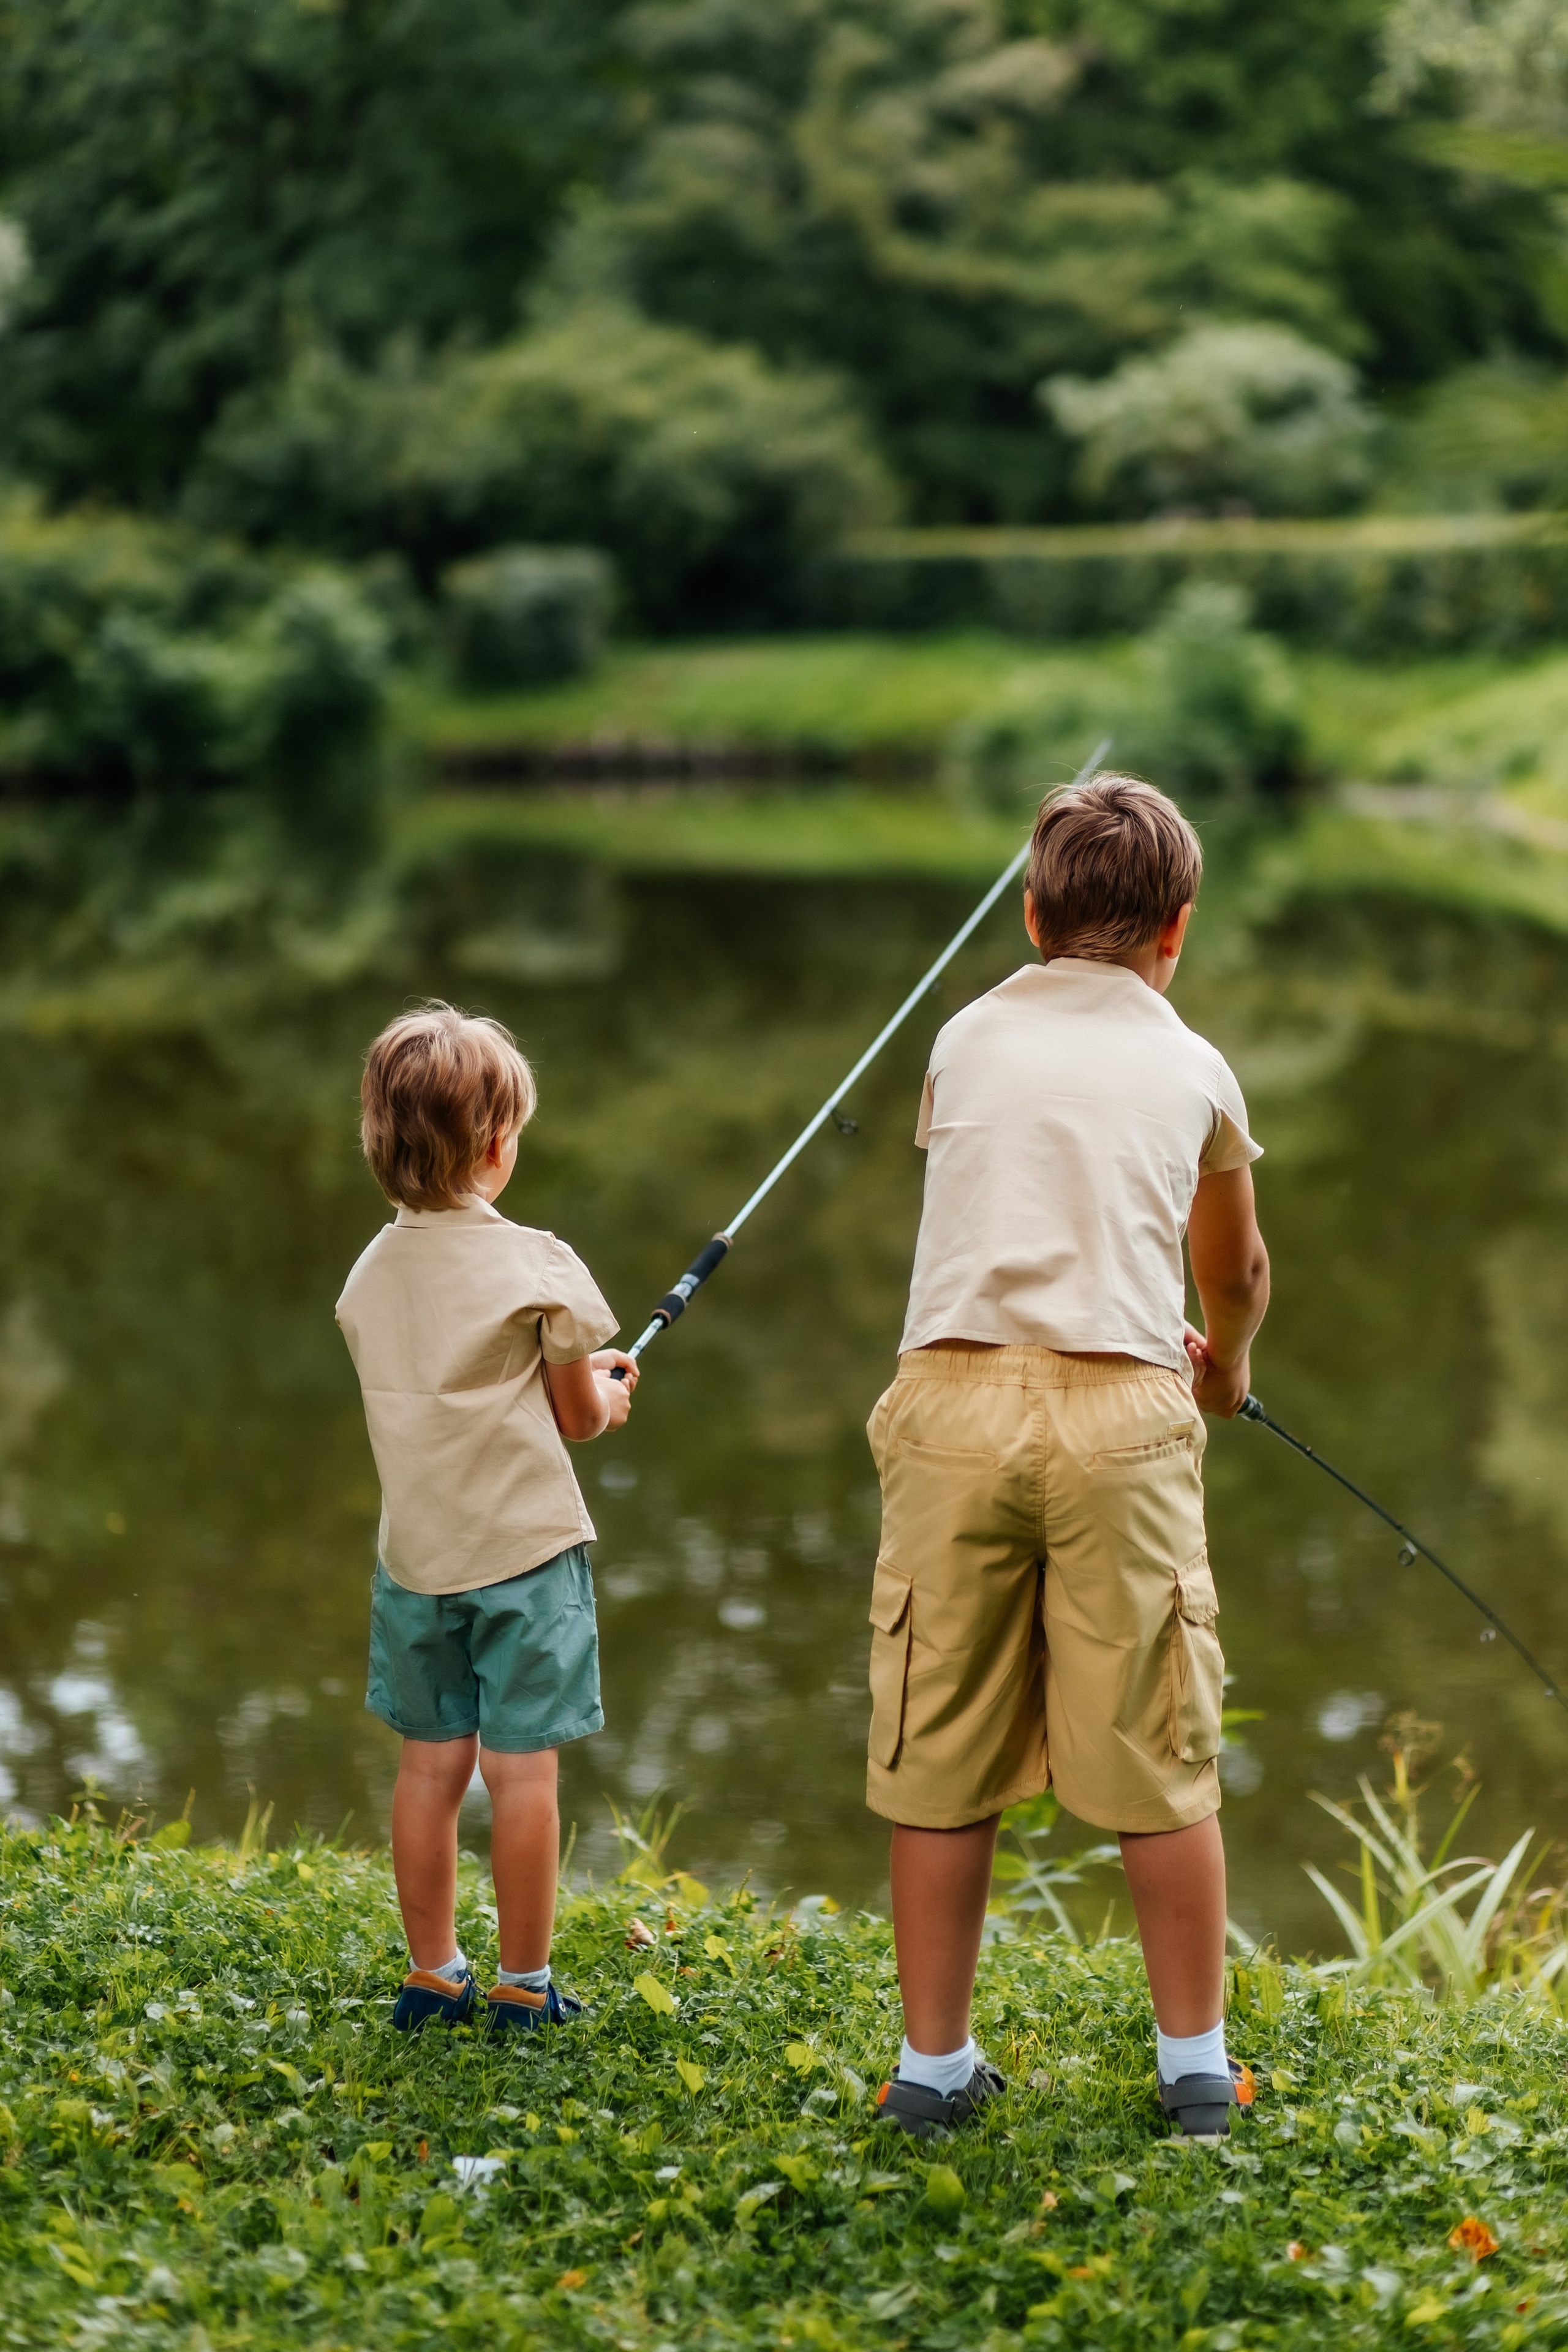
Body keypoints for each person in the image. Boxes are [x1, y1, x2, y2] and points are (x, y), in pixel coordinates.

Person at [867, 774, 1270, 2140]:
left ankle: (930, 2073)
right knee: (1159, 1749)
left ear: (1032, 913)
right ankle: (1193, 2069)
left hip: (949, 1406)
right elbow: (1237, 1268)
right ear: (1178, 928)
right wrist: (1227, 1367)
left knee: (940, 1743)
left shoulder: (961, 1036)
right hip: (1122, 1415)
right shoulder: (1194, 1062)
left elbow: (1007, 1195)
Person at [336, 1002, 636, 2035]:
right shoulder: (538, 1265)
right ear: (499, 1148)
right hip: (524, 1555)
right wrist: (607, 1387)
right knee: (522, 1776)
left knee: (430, 1768)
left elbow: (440, 1381)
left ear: (382, 1143)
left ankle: (432, 1972)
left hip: (415, 1560)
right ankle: (522, 1983)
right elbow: (575, 1416)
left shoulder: (367, 1278)